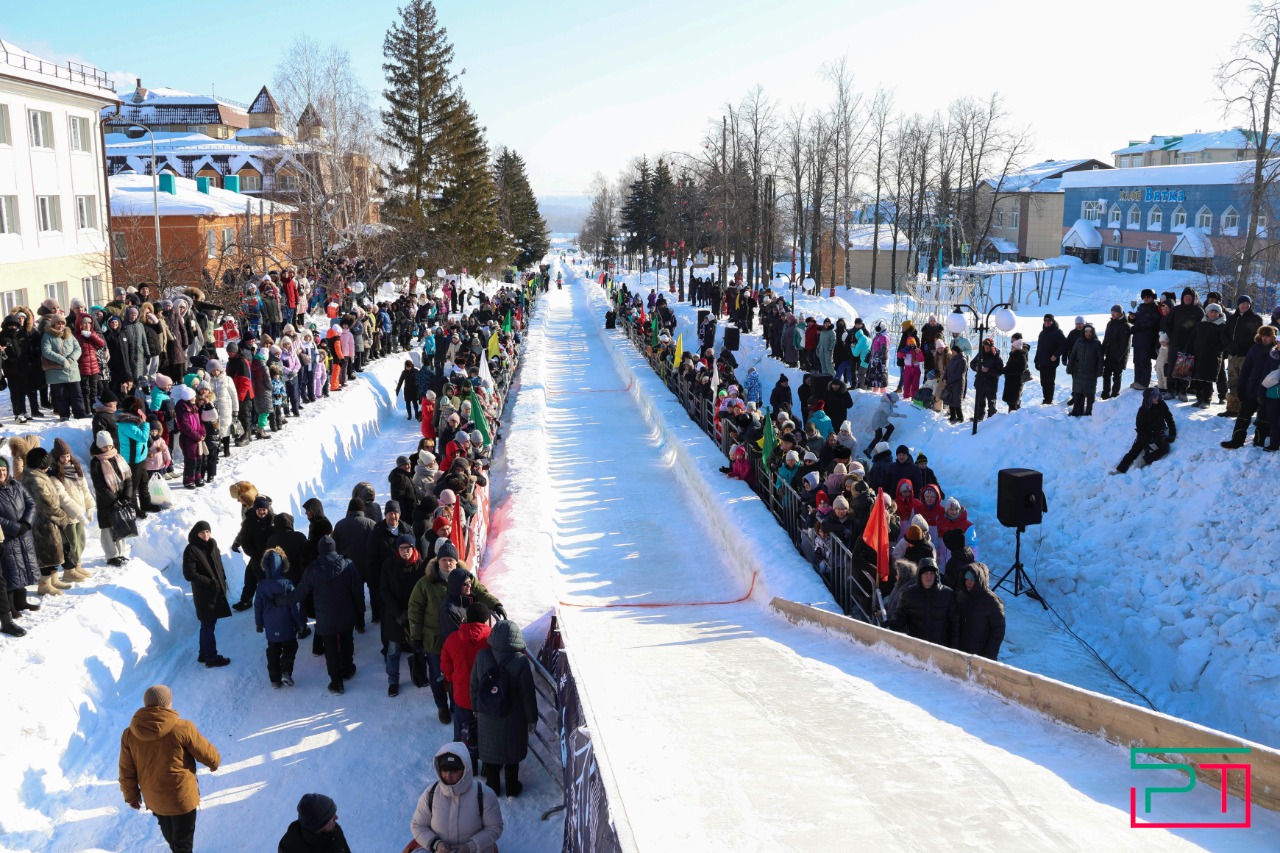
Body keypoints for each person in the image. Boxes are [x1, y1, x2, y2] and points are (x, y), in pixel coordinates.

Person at [118, 684, 221, 853]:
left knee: (172, 836)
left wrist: (131, 796)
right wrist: (214, 763)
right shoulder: (182, 728)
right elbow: (207, 754)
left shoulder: (129, 734)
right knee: (183, 842)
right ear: (167, 704)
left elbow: (126, 770)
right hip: (181, 798)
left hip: (154, 799)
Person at [279, 535, 365, 695]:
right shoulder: (348, 565)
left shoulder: (312, 569)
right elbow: (358, 590)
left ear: (319, 550)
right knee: (347, 642)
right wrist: (360, 611)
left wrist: (279, 600)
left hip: (325, 617)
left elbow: (299, 594)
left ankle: (336, 682)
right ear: (334, 548)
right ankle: (347, 669)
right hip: (346, 613)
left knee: (331, 649)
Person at [471, 619, 537, 797]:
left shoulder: (482, 656)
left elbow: (474, 685)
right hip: (513, 716)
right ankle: (511, 787)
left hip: (487, 713)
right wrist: (532, 718)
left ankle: (492, 787)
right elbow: (527, 694)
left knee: (490, 751)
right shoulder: (520, 661)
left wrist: (476, 708)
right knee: (511, 754)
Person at [410, 743, 503, 853]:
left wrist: (470, 846)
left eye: (454, 771)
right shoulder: (431, 794)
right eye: (445, 770)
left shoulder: (484, 795)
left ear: (465, 769)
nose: (448, 776)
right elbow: (418, 825)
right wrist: (436, 844)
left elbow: (494, 828)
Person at [441, 601, 491, 769]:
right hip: (486, 697)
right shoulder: (491, 638)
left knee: (463, 735)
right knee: (486, 733)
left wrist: (451, 678)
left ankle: (466, 766)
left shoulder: (453, 638)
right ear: (485, 619)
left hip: (462, 696)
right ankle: (487, 766)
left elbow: (445, 663)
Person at [21, 446, 71, 597]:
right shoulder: (35, 480)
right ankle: (44, 585)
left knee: (54, 552)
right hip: (42, 523)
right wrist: (62, 515)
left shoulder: (35, 475)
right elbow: (47, 504)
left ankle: (53, 580)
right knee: (47, 554)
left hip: (48, 521)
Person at [181, 521, 232, 667]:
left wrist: (222, 578)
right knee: (208, 625)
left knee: (208, 624)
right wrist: (210, 582)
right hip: (204, 594)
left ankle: (204, 654)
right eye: (202, 532)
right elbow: (189, 574)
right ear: (196, 534)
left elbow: (218, 563)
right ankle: (211, 658)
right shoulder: (191, 549)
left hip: (215, 591)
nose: (206, 535)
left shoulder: (212, 544)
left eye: (208, 532)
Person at [381, 533, 424, 697]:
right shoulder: (388, 565)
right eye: (402, 548)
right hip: (395, 616)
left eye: (408, 547)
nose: (405, 551)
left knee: (418, 647)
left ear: (414, 548)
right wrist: (399, 612)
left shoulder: (421, 565)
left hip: (416, 615)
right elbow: (384, 591)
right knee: (393, 650)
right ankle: (393, 680)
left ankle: (420, 674)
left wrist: (414, 611)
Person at [255, 549, 305, 688]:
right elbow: (295, 606)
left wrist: (259, 623)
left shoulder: (261, 586)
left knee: (273, 651)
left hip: (270, 626)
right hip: (287, 624)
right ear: (282, 565)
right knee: (290, 648)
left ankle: (274, 680)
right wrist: (300, 624)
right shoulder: (287, 584)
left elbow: (257, 606)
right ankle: (286, 672)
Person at [0, 456, 39, 636]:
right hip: (8, 536)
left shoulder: (15, 485)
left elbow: (31, 503)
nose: (2, 473)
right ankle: (9, 612)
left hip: (23, 533)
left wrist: (26, 523)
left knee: (22, 567)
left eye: (4, 470)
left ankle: (20, 602)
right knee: (9, 573)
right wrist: (15, 528)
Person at [1222, 324, 1277, 449]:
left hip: (1268, 391)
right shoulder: (1254, 349)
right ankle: (1237, 440)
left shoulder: (1276, 352)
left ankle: (1259, 441)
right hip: (1252, 389)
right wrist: (1241, 388)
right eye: (1263, 336)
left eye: (1268, 336)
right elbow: (1245, 370)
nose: (1265, 339)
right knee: (1243, 416)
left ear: (1273, 337)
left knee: (1264, 418)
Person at [886, 558, 959, 648]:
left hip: (941, 648)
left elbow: (955, 624)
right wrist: (892, 622)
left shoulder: (948, 594)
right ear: (919, 575)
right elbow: (900, 615)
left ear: (936, 575)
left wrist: (953, 648)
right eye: (925, 573)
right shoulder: (908, 593)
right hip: (916, 647)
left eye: (932, 573)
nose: (929, 576)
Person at [89, 430, 133, 567]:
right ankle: (111, 555)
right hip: (106, 502)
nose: (107, 449)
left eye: (109, 446)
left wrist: (126, 496)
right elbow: (100, 486)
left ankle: (121, 553)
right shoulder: (96, 462)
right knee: (107, 529)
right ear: (98, 446)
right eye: (104, 447)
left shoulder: (118, 457)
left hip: (121, 498)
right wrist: (114, 500)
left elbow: (128, 478)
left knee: (121, 526)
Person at [1115, 388, 1177, 473]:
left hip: (1158, 433)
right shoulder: (1142, 410)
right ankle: (1119, 470)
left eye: (1158, 395)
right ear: (1149, 398)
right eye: (1154, 396)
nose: (1157, 398)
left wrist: (1172, 434)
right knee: (1134, 451)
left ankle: (1143, 461)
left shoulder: (1162, 404)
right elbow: (1140, 429)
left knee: (1164, 449)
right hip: (1145, 434)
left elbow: (1169, 419)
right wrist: (1146, 444)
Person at [232, 495, 276, 612]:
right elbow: (245, 541)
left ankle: (270, 603)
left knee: (268, 580)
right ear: (255, 509)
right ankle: (246, 601)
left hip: (272, 556)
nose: (262, 512)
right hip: (256, 556)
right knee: (250, 578)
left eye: (264, 509)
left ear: (268, 509)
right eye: (259, 510)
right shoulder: (248, 523)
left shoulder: (274, 520)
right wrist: (254, 554)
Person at [1223, 294, 1263, 418]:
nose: (1245, 305)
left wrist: (1239, 345)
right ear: (1238, 304)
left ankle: (1245, 410)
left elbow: (1254, 336)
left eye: (1247, 303)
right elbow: (1224, 334)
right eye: (1242, 303)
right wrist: (1229, 345)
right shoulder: (1232, 318)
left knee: (1246, 383)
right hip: (1232, 355)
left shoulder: (1255, 318)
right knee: (1233, 382)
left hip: (1246, 355)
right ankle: (1232, 408)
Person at [956, 563, 1006, 660]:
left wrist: (989, 656)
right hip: (961, 652)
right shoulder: (961, 595)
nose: (968, 583)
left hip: (981, 654)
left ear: (979, 581)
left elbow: (998, 631)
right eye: (966, 579)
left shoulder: (992, 602)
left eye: (972, 580)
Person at [279, 793, 352, 853]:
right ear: (319, 825)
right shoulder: (291, 847)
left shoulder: (334, 829)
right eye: (331, 817)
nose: (336, 818)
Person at [1188, 303, 1227, 408]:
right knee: (1197, 378)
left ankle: (1206, 400)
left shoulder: (1222, 325)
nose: (1213, 314)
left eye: (1216, 312)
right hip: (1198, 355)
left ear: (1219, 313)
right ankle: (1199, 399)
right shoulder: (1201, 324)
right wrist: (1190, 349)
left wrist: (1216, 350)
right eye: (1211, 311)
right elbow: (1193, 337)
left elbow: (1224, 342)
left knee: (1207, 380)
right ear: (1207, 313)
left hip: (1212, 357)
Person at [1066, 323, 1104, 417]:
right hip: (1078, 371)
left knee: (1090, 392)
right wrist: (1069, 367)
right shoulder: (1079, 342)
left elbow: (1100, 358)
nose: (1088, 334)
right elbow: (1073, 355)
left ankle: (1089, 411)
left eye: (1090, 332)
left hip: (1091, 372)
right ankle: (1077, 411)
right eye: (1086, 331)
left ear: (1093, 332)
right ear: (1083, 332)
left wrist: (1099, 370)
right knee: (1078, 392)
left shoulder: (1096, 343)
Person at [1130, 288, 1161, 390]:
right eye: (1144, 297)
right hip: (1137, 340)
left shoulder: (1155, 309)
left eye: (1148, 296)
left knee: (1144, 361)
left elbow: (1150, 323)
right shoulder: (1140, 308)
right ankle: (1137, 380)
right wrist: (1131, 318)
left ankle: (1144, 383)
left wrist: (1136, 327)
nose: (1146, 299)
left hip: (1147, 340)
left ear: (1153, 297)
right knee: (1136, 361)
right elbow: (1136, 321)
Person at [1100, 305, 1132, 400]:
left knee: (1117, 376)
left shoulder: (1125, 325)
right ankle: (1105, 393)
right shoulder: (1110, 323)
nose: (1113, 314)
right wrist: (1102, 351)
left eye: (1115, 312)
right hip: (1109, 354)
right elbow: (1106, 339)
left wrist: (1118, 357)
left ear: (1120, 313)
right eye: (1112, 312)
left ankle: (1114, 394)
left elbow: (1125, 345)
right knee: (1106, 374)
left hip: (1119, 357)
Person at [1034, 314, 1066, 404]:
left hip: (1051, 362)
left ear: (1053, 321)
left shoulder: (1057, 332)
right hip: (1042, 361)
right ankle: (1045, 399)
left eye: (1049, 320)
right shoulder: (1042, 333)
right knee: (1043, 382)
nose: (1047, 322)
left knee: (1049, 382)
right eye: (1045, 320)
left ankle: (1049, 400)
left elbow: (1064, 344)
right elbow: (1039, 348)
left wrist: (1056, 355)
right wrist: (1036, 360)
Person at [969, 338, 1003, 422]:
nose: (986, 349)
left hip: (991, 383)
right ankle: (979, 417)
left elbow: (999, 371)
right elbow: (972, 363)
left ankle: (991, 421)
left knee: (991, 404)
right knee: (980, 401)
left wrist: (988, 371)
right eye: (985, 347)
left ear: (991, 347)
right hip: (980, 381)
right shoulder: (980, 354)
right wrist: (976, 368)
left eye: (988, 347)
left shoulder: (996, 357)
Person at [1001, 339, 1027, 412]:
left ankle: (1013, 417)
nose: (1012, 348)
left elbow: (1020, 369)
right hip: (1010, 381)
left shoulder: (1021, 356)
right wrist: (1004, 370)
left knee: (1013, 402)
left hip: (1015, 382)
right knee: (1010, 402)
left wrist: (1007, 371)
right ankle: (1011, 416)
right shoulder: (1013, 355)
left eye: (1013, 347)